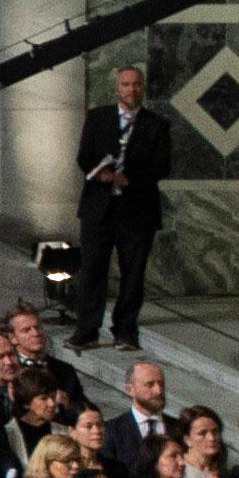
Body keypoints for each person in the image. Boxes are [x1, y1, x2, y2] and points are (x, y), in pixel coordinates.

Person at [74, 58, 177, 350]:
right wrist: (102, 174)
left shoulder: (157, 125)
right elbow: (84, 157)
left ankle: (126, 331)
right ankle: (87, 330)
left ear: (143, 88)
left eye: (136, 84)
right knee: (93, 270)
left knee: (133, 274)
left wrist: (128, 180)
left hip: (136, 211)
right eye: (126, 84)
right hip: (98, 209)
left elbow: (162, 166)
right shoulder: (97, 118)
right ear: (117, 88)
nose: (131, 90)